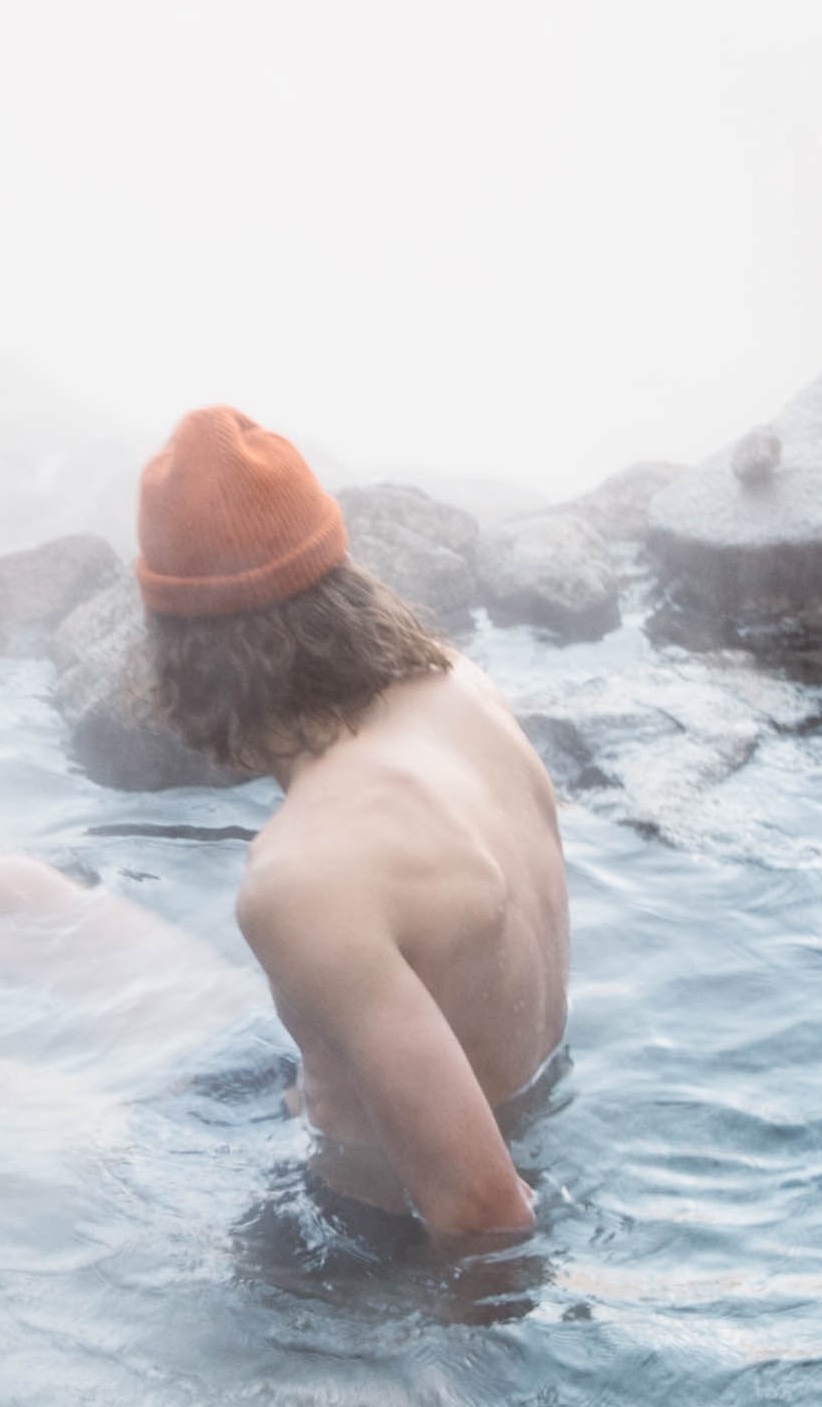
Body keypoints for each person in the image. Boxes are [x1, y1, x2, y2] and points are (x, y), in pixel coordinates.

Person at [129, 406, 568, 1248]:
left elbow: (484, 1215)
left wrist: (442, 1341)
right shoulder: (462, 690)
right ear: (340, 578)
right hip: (544, 1112)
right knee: (8, 891)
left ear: (180, 656)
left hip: (372, 1252)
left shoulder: (303, 877)